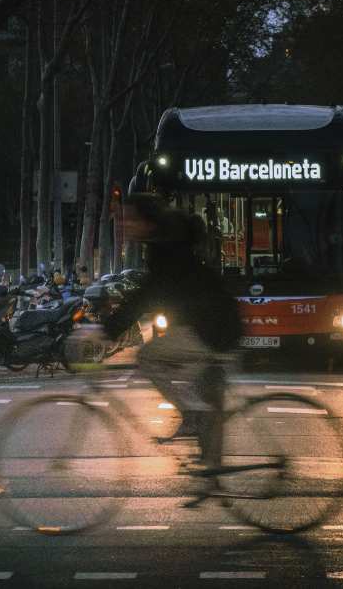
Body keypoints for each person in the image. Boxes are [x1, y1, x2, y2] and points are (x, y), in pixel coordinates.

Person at [102, 194, 242, 464]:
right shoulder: (170, 240)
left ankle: (191, 416)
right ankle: (212, 476)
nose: (123, 225)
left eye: (129, 219)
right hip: (215, 324)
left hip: (211, 329)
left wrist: (108, 330)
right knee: (206, 394)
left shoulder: (166, 247)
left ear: (146, 221)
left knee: (147, 357)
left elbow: (148, 293)